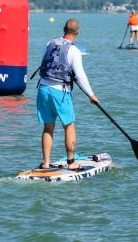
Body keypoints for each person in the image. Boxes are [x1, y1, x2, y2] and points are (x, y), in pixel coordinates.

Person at [36, 18, 100, 171]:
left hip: (43, 89)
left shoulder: (49, 43)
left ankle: (45, 162)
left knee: (48, 127)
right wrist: (91, 95)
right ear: (77, 32)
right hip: (60, 92)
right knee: (69, 126)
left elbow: (45, 63)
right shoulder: (74, 50)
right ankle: (71, 163)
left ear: (63, 29)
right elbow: (80, 75)